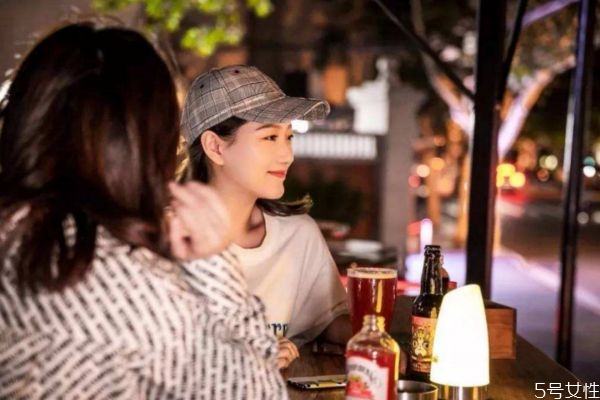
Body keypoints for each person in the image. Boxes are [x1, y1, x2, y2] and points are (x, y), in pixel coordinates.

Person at [0, 23, 287, 399]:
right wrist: (216, 265)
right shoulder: (120, 278)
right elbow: (259, 393)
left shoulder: (16, 234)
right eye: (270, 136)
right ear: (145, 140)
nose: (286, 153)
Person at [181, 65, 352, 369]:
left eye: (289, 137)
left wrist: (375, 342)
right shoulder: (165, 244)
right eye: (270, 137)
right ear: (215, 147)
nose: (287, 155)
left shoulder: (297, 234)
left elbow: (328, 319)